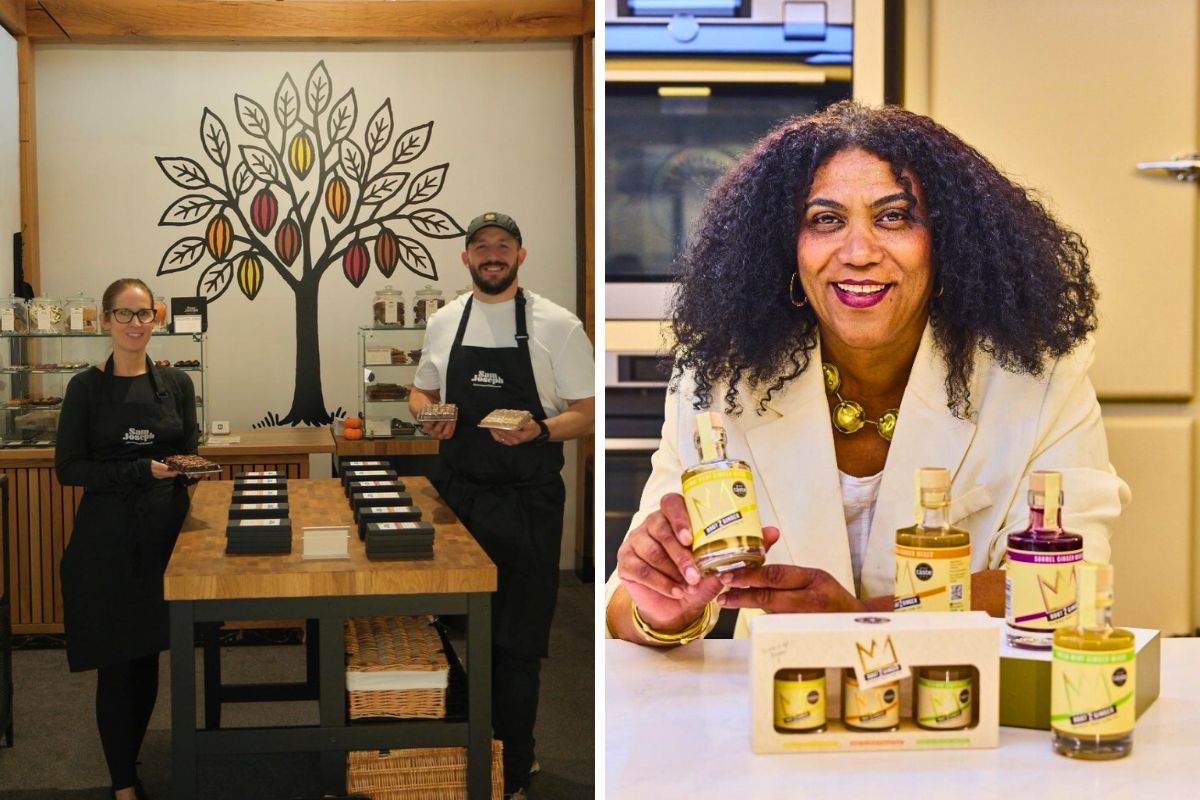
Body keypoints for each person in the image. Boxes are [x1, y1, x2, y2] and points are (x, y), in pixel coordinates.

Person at [605, 101, 1130, 645]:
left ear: (948, 242)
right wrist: (664, 606)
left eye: (894, 217)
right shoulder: (719, 376)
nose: (858, 252)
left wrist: (864, 618)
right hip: (786, 704)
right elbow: (627, 604)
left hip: (963, 704)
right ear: (786, 249)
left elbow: (1070, 584)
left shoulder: (1038, 377)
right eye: (825, 220)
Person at [410, 212, 595, 798]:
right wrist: (426, 415)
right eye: (481, 247)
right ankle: (472, 744)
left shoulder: (556, 325)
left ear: (520, 255)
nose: (492, 255)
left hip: (526, 505)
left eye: (503, 246)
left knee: (516, 643)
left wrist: (539, 430)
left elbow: (588, 410)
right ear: (466, 258)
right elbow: (422, 389)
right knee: (448, 627)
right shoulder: (444, 321)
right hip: (457, 498)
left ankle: (514, 767)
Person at [55, 278, 198, 800]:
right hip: (107, 542)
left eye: (144, 314)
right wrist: (142, 470)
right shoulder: (85, 388)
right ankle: (122, 784)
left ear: (156, 319)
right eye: (124, 315)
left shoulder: (177, 385)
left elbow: (186, 448)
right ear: (105, 320)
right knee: (117, 665)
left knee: (147, 657)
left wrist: (188, 470)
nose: (135, 324)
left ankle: (131, 758)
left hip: (164, 540)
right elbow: (68, 469)